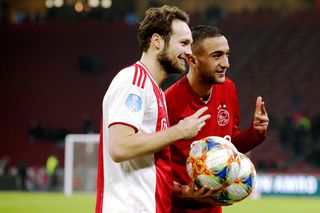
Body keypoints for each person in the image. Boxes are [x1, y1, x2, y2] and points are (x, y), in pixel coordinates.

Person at [95, 6, 211, 213]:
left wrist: (180, 191)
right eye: (184, 43)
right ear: (157, 41)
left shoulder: (152, 89)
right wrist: (180, 131)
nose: (189, 52)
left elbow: (148, 163)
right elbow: (120, 147)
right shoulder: (134, 82)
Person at [165, 25, 269, 213]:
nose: (226, 63)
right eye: (217, 55)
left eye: (227, 55)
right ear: (192, 60)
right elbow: (154, 171)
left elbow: (229, 148)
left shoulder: (228, 89)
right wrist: (183, 195)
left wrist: (256, 133)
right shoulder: (167, 102)